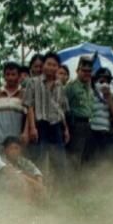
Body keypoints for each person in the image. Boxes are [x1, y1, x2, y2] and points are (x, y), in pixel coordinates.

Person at [24, 52, 70, 181]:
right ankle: (37, 190)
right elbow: (29, 106)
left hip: (56, 125)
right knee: (38, 159)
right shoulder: (33, 82)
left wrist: (66, 129)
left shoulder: (60, 85)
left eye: (54, 65)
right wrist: (32, 127)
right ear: (43, 65)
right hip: (40, 124)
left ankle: (59, 193)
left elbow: (61, 109)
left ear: (58, 67)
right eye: (48, 64)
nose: (51, 67)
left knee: (59, 161)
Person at [0, 61, 27, 152]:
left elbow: (28, 116)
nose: (10, 77)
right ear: (4, 76)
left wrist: (25, 133)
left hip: (14, 141)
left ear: (19, 77)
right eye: (7, 74)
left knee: (12, 166)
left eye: (13, 74)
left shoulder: (24, 94)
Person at [64, 56, 95, 166]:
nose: (87, 73)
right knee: (74, 157)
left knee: (86, 157)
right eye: (84, 71)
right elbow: (63, 107)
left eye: (89, 71)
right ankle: (72, 182)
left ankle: (82, 181)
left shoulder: (90, 89)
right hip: (75, 125)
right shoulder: (71, 87)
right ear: (77, 71)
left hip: (88, 125)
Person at [89, 69, 113, 161]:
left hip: (105, 133)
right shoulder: (90, 94)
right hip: (91, 131)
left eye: (107, 81)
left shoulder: (112, 97)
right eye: (101, 81)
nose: (104, 84)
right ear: (95, 81)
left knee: (102, 161)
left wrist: (108, 97)